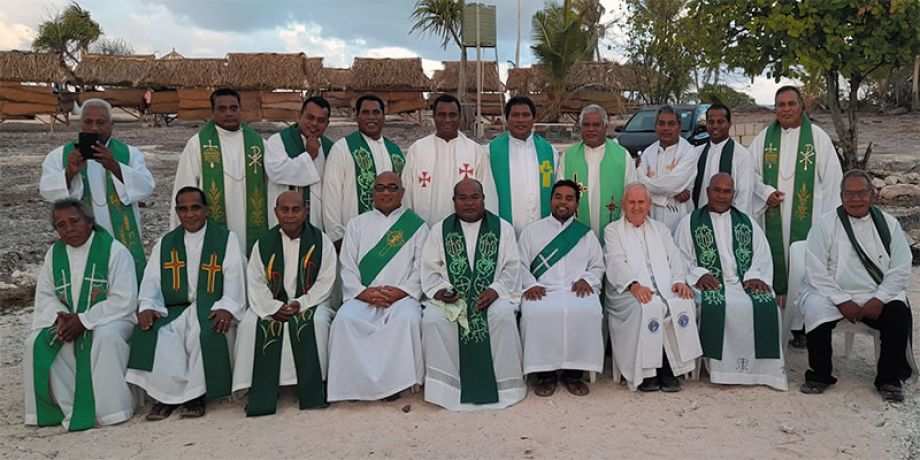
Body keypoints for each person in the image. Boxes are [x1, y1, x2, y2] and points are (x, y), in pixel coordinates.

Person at [126, 186, 245, 420]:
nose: (190, 214)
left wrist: (228, 306)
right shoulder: (166, 242)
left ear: (207, 210)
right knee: (160, 333)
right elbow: (152, 279)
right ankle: (165, 398)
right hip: (175, 308)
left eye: (195, 208)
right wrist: (148, 305)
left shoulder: (224, 238)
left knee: (203, 332)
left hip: (211, 306)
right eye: (183, 209)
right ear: (177, 212)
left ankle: (194, 396)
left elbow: (234, 275)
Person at [799, 170, 916, 402]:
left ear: (872, 194)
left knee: (898, 313)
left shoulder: (889, 224)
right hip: (832, 293)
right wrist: (841, 300)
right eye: (849, 194)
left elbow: (901, 267)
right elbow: (815, 268)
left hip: (875, 292)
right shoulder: (825, 225)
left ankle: (889, 379)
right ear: (841, 196)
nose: (855, 199)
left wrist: (880, 297)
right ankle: (819, 375)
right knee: (813, 308)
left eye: (861, 193)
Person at [23, 199, 138, 431]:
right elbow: (45, 294)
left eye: (74, 221)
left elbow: (123, 300)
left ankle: (112, 410)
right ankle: (66, 407)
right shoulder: (54, 254)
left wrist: (85, 320)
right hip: (69, 318)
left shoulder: (114, 251)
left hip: (113, 319)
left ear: (89, 221)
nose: (69, 228)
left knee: (104, 338)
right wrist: (62, 317)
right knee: (36, 341)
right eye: (61, 225)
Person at [750, 86, 843, 347]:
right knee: (776, 264)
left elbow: (834, 181)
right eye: (781, 104)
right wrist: (765, 191)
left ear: (802, 107)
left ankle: (802, 327)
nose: (786, 109)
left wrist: (827, 226)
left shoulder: (817, 138)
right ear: (775, 108)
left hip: (810, 219)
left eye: (791, 104)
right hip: (773, 217)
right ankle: (775, 322)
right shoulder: (763, 139)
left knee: (803, 270)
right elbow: (750, 174)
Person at [421, 178, 525, 410]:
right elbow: (429, 269)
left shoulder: (503, 228)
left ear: (483, 199)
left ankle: (504, 388)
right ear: (454, 201)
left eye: (474, 197)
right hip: (453, 299)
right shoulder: (439, 230)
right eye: (462, 198)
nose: (469, 203)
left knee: (502, 316)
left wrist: (495, 290)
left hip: (492, 296)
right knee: (433, 319)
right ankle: (447, 390)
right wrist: (440, 291)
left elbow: (512, 267)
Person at [675, 173, 786, 390]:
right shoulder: (689, 222)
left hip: (745, 282)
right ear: (707, 192)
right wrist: (699, 274)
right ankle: (719, 370)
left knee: (765, 304)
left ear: (733, 194)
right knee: (719, 304)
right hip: (709, 284)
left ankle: (762, 372)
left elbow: (762, 256)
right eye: (717, 190)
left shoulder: (747, 223)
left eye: (727, 191)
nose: (721, 196)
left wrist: (755, 275)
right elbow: (680, 257)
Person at [232, 191, 337, 416]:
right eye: (284, 210)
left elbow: (325, 281)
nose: (290, 215)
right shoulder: (264, 243)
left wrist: (301, 303)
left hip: (310, 304)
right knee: (251, 324)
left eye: (296, 209)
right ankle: (258, 388)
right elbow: (256, 281)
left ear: (306, 211)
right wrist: (272, 307)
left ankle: (312, 386)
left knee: (317, 323)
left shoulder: (321, 242)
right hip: (271, 304)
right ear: (275, 212)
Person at [327, 172, 429, 402]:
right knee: (345, 320)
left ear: (402, 193)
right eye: (380, 188)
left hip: (402, 298)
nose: (386, 193)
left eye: (392, 188)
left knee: (407, 320)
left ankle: (397, 384)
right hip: (364, 296)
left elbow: (421, 266)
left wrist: (402, 291)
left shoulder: (417, 226)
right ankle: (352, 385)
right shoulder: (356, 225)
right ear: (372, 193)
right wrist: (363, 292)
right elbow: (347, 266)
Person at [40, 98, 155, 279]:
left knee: (123, 278)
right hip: (82, 234)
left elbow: (146, 187)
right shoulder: (59, 156)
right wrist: (69, 172)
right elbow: (47, 190)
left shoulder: (130, 154)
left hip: (121, 235)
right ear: (80, 124)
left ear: (111, 125)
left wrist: (115, 166)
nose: (94, 128)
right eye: (88, 122)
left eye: (100, 122)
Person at [605, 183, 701, 392]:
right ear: (623, 205)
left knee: (682, 302)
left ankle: (672, 368)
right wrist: (633, 285)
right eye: (632, 202)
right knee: (648, 307)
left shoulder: (661, 229)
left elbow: (675, 257)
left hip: (665, 286)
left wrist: (678, 281)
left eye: (641, 202)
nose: (636, 207)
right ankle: (648, 372)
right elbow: (615, 263)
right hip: (627, 291)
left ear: (649, 205)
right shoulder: (613, 230)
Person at [518, 180, 605, 397]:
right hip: (542, 290)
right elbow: (518, 264)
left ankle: (573, 374)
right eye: (558, 197)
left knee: (589, 311)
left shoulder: (586, 234)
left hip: (576, 290)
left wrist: (588, 279)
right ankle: (544, 374)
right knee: (535, 312)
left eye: (569, 198)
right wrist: (531, 284)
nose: (563, 202)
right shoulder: (532, 231)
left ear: (577, 203)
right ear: (551, 200)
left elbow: (597, 265)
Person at [171, 88, 270, 256]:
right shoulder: (198, 144)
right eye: (222, 109)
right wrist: (179, 233)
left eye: (233, 108)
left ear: (240, 109)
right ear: (213, 112)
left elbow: (271, 185)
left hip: (251, 224)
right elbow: (184, 187)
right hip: (213, 222)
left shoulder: (257, 143)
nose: (229, 113)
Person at [323, 94, 406, 248]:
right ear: (357, 116)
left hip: (389, 238)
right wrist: (336, 236)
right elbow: (331, 194)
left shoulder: (395, 152)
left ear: (383, 116)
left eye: (376, 112)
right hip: (351, 238)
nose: (371, 117)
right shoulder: (342, 148)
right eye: (365, 113)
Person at [402, 94, 491, 225]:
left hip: (465, 230)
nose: (447, 119)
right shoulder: (417, 150)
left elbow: (486, 192)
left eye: (452, 115)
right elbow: (406, 193)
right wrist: (411, 228)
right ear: (434, 117)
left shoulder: (475, 151)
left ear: (460, 117)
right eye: (442, 115)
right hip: (424, 229)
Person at [558, 104, 637, 236]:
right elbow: (560, 195)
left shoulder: (622, 156)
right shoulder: (568, 157)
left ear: (605, 127)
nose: (591, 129)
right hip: (575, 234)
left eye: (596, 125)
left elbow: (631, 195)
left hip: (615, 234)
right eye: (586, 125)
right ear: (580, 128)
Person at [486, 96, 559, 234]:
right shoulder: (490, 152)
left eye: (526, 115)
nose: (521, 120)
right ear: (507, 119)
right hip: (504, 232)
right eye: (515, 115)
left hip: (542, 233)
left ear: (534, 119)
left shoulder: (549, 152)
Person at [265, 96, 333, 229]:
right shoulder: (277, 141)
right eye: (310, 117)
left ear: (327, 124)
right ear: (299, 116)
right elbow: (277, 173)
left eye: (321, 120)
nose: (314, 123)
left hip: (317, 222)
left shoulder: (329, 148)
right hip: (283, 221)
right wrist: (308, 156)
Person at [637, 106, 697, 231]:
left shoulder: (689, 152)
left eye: (671, 124)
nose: (666, 128)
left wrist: (650, 188)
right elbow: (639, 183)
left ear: (679, 127)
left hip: (679, 215)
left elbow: (671, 185)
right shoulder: (648, 152)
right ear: (656, 126)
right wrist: (668, 195)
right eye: (661, 123)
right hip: (652, 215)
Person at [690, 104, 754, 215]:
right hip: (700, 219)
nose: (715, 126)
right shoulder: (696, 153)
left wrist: (735, 221)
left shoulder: (742, 155)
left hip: (729, 221)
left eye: (720, 122)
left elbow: (744, 195)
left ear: (729, 124)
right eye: (711, 122)